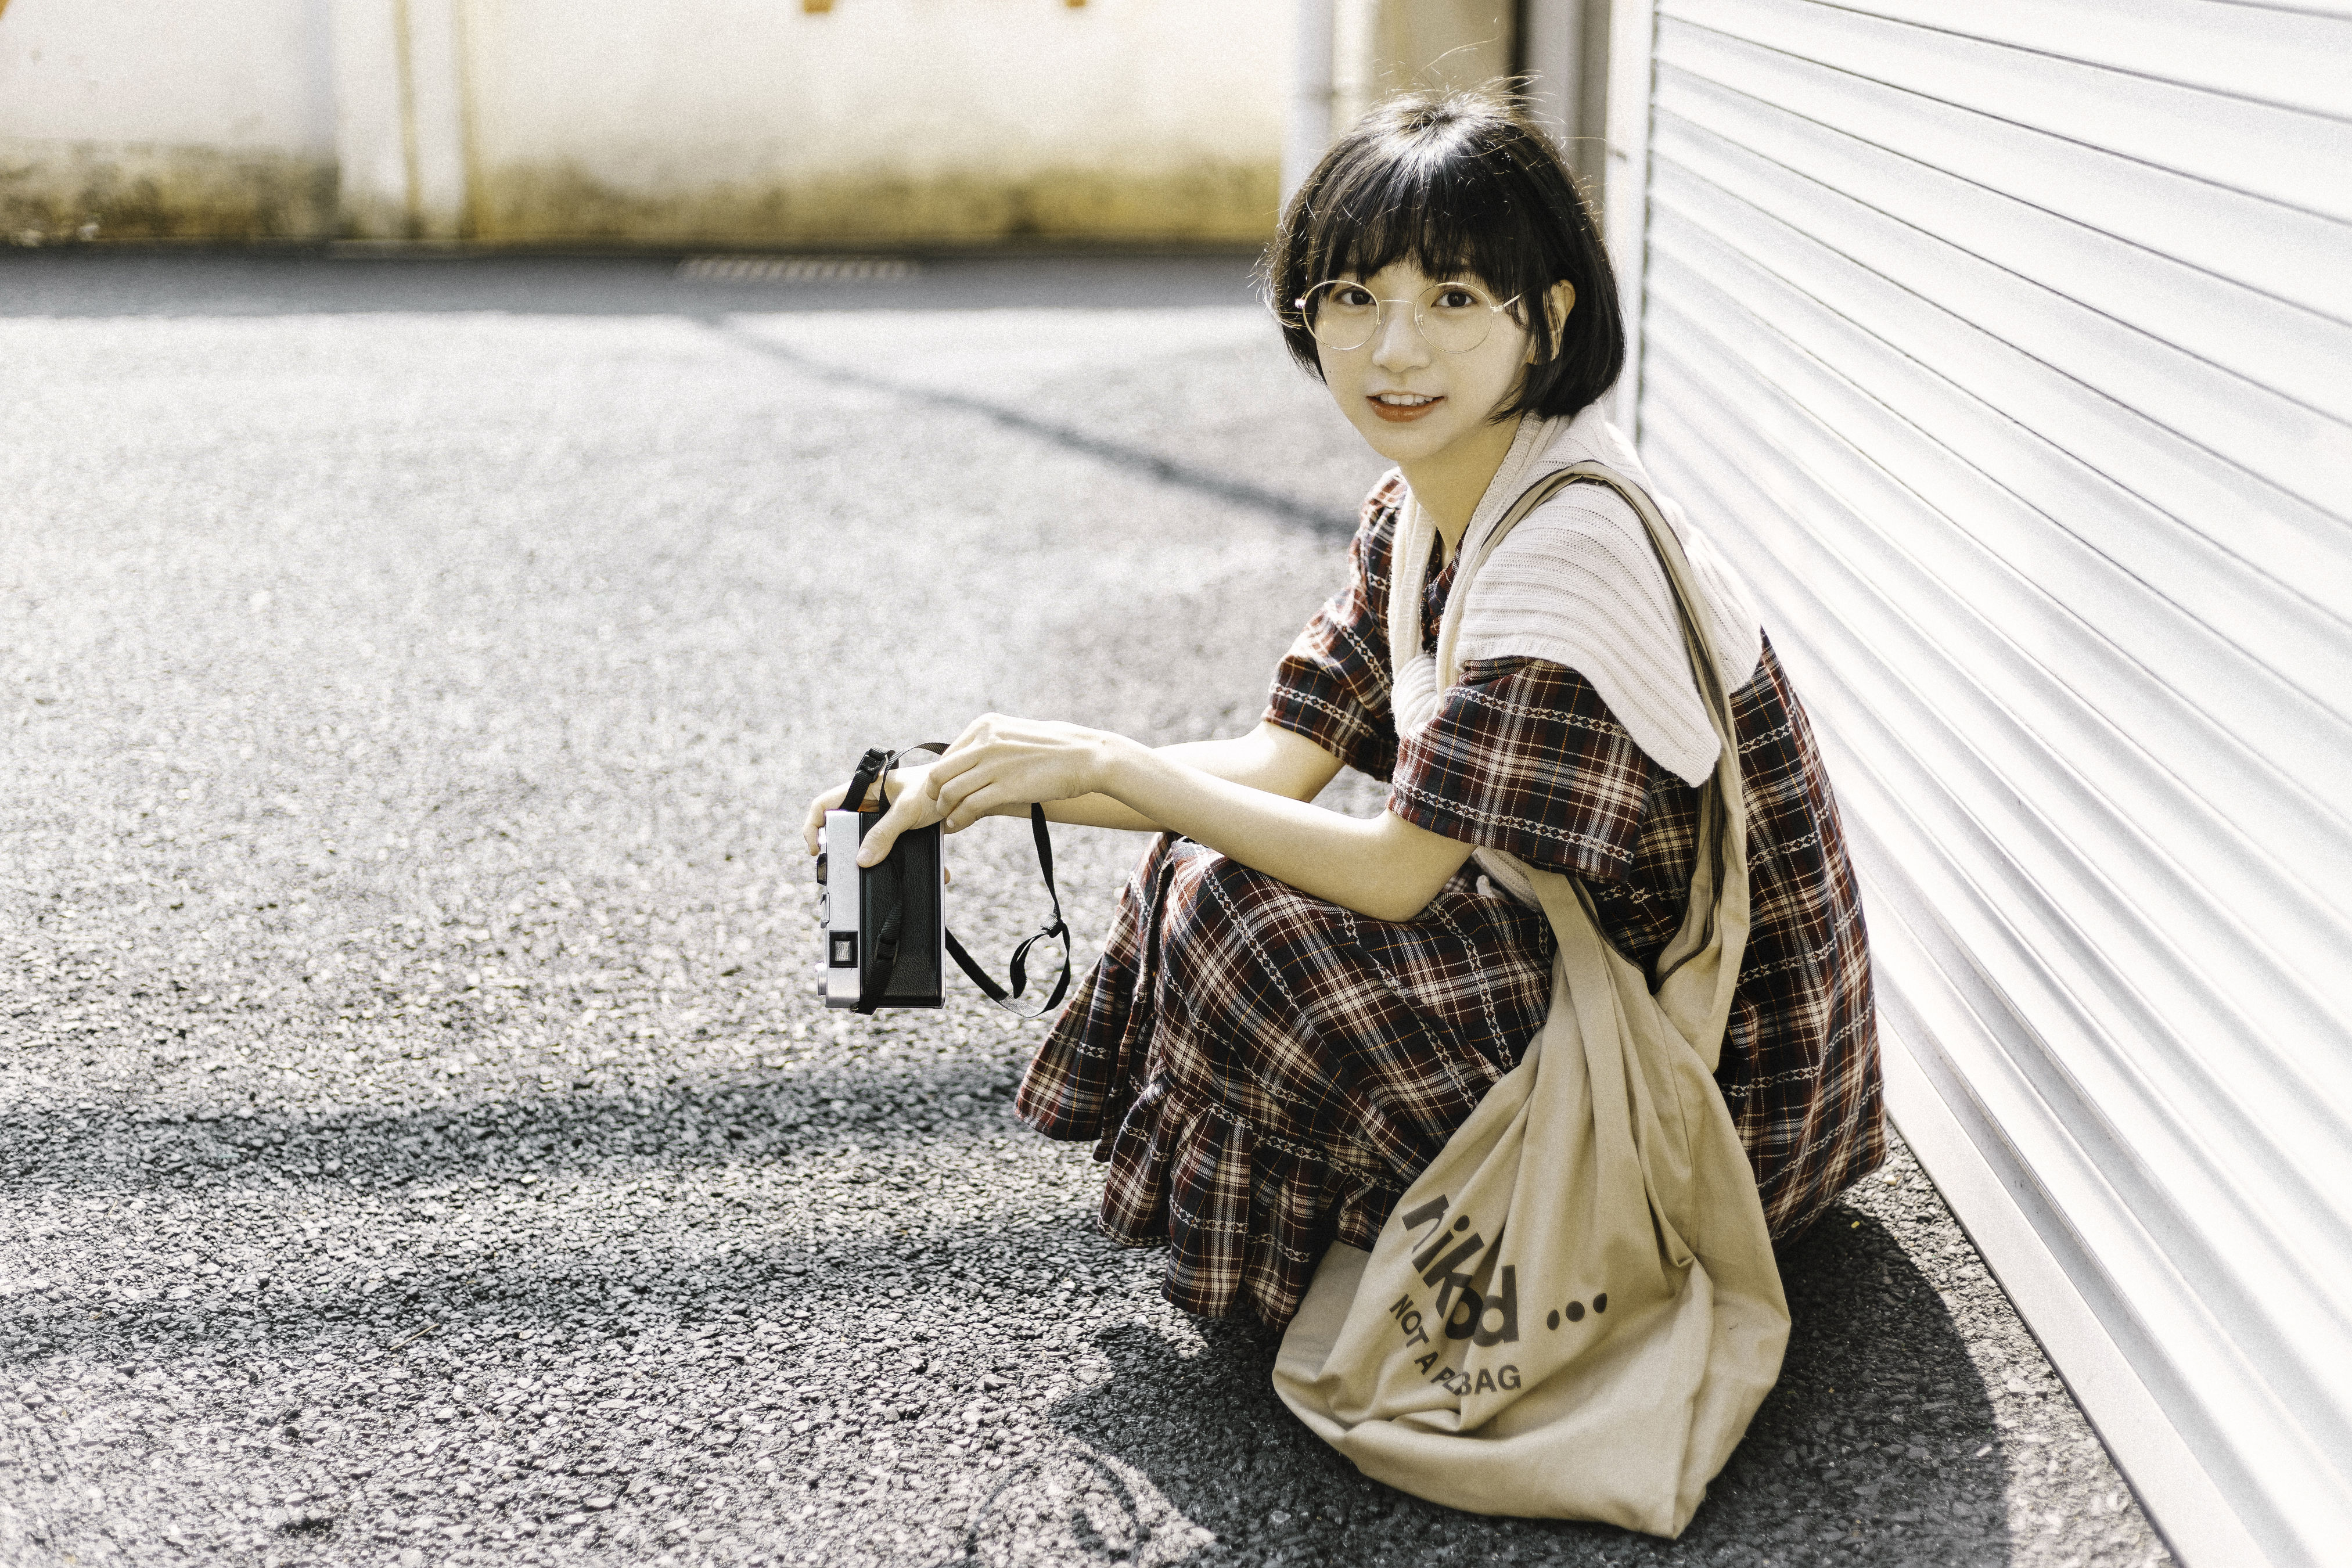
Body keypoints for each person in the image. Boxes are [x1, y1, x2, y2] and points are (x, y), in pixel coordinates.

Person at [803, 89, 1882, 1329]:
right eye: (1355, 299)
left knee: (1236, 909)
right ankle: (1406, 1232)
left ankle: (1482, 1253)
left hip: (1725, 1105)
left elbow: (1397, 876)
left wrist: (1110, 764)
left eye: (1455, 300)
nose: (1395, 351)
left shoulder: (1567, 546)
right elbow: (1277, 765)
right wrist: (960, 787)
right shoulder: (1430, 501)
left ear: (1551, 320)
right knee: (1204, 858)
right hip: (1593, 981)